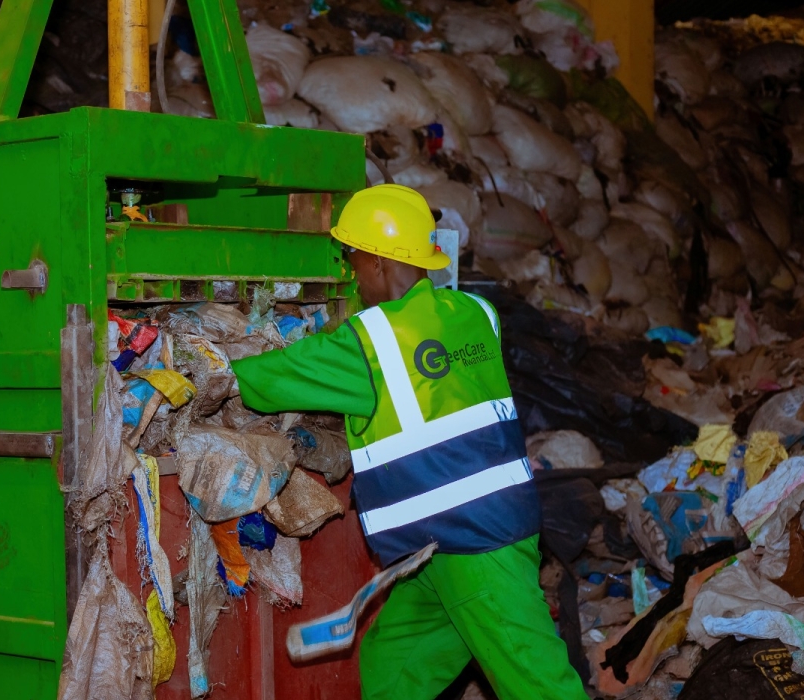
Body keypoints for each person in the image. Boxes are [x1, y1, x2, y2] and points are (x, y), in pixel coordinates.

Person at [231, 184, 588, 700]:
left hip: (478, 547)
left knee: (537, 683)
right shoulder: (474, 313)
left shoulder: (370, 341)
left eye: (353, 258)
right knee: (392, 671)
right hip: (438, 547)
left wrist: (202, 366)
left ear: (377, 260)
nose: (351, 273)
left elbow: (265, 380)